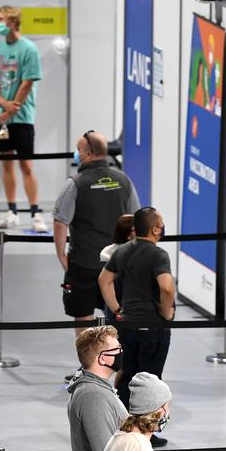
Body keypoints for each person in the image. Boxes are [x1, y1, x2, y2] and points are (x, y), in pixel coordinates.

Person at [53, 130, 139, 329]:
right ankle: (116, 357)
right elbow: (135, 219)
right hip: (117, 264)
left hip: (83, 262)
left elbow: (60, 222)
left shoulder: (74, 184)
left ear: (87, 153)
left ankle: (88, 359)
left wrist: (61, 256)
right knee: (118, 314)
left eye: (78, 150)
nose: (76, 153)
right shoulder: (125, 181)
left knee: (83, 316)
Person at [100, 207, 176, 416]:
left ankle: (123, 424)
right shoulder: (159, 255)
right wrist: (166, 311)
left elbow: (104, 280)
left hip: (127, 325)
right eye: (160, 223)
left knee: (127, 376)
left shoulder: (122, 251)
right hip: (153, 327)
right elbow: (167, 286)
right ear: (154, 229)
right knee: (151, 381)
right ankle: (144, 432)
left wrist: (116, 308)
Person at [0, 5, 43, 230]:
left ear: (13, 22)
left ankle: (35, 212)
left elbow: (28, 81)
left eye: (2, 19)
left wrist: (12, 108)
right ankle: (12, 210)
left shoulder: (29, 49)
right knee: (6, 164)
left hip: (22, 117)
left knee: (26, 165)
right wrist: (3, 105)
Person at [99, 214, 135, 323]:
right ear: (128, 235)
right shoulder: (113, 256)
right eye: (136, 229)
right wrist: (118, 311)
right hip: (122, 309)